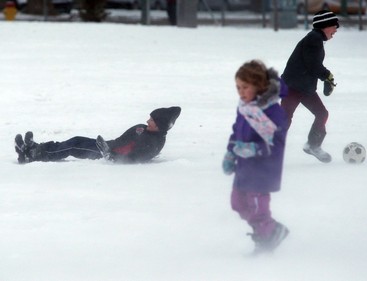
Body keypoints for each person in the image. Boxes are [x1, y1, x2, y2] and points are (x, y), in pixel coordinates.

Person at [222, 60, 289, 255]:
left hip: (263, 169)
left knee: (259, 208)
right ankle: (271, 229)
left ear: (259, 86)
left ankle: (266, 238)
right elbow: (237, 131)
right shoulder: (244, 106)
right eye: (238, 87)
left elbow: (277, 144)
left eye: (245, 87)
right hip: (244, 167)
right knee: (238, 203)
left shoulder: (272, 111)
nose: (240, 92)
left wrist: (255, 149)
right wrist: (230, 152)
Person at [14, 106, 181, 164]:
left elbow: (136, 158)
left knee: (73, 145)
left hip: (107, 153)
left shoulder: (154, 143)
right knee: (75, 140)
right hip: (107, 146)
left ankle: (35, 155)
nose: (147, 120)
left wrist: (110, 155)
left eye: (152, 120)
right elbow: (122, 140)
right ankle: (37, 148)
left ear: (159, 126)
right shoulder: (141, 128)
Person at [281, 10, 339, 163]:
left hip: (304, 87)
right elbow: (312, 64)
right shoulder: (313, 39)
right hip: (293, 87)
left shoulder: (316, 39)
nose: (336, 30)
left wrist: (326, 77)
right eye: (334, 26)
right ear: (324, 26)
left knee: (322, 114)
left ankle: (313, 145)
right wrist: (327, 76)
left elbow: (312, 65)